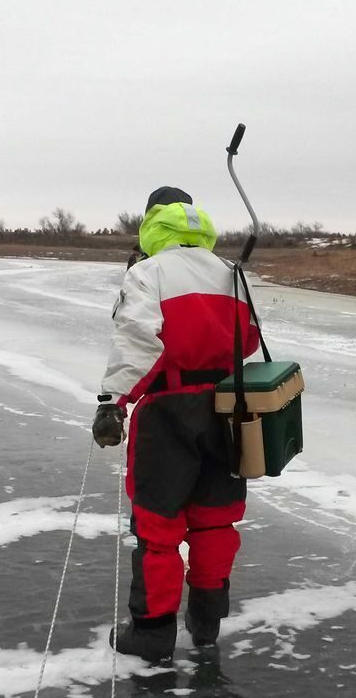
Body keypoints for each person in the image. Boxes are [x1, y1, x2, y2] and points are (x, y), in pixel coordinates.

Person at [92, 186, 260, 662]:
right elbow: (248, 341)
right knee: (214, 523)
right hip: (226, 410)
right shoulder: (232, 274)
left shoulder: (148, 272)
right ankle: (206, 625)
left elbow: (138, 341)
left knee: (159, 529)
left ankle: (152, 632)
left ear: (152, 223)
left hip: (168, 414)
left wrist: (113, 403)